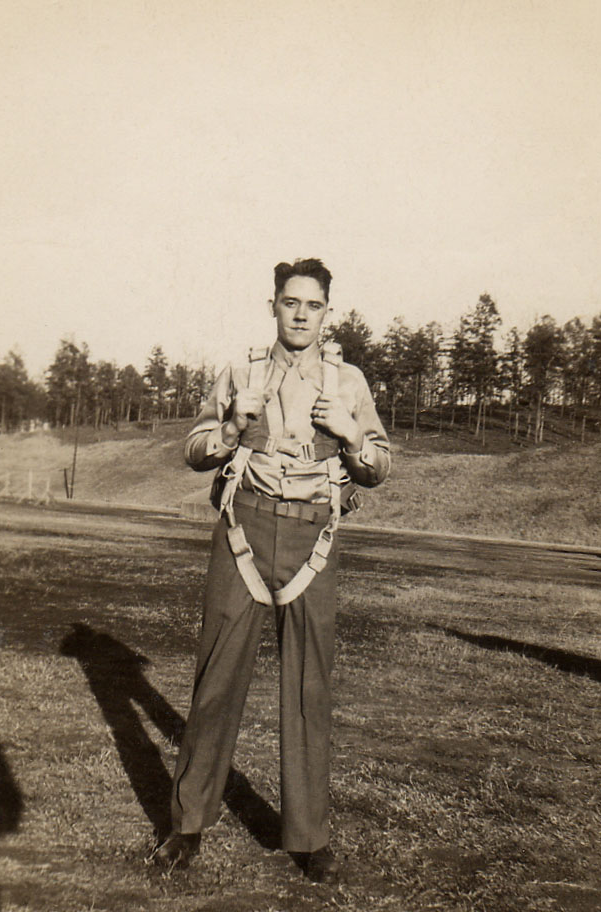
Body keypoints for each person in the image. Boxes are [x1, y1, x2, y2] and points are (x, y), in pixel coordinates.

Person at [155, 258, 390, 883]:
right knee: (217, 678)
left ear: (327, 313)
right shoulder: (242, 370)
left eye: (313, 305)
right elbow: (194, 450)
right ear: (274, 306)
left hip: (315, 535)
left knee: (310, 684)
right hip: (245, 529)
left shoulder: (351, 382)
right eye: (291, 302)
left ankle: (307, 838)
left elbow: (379, 464)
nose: (301, 314)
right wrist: (232, 424)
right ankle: (186, 826)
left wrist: (350, 436)